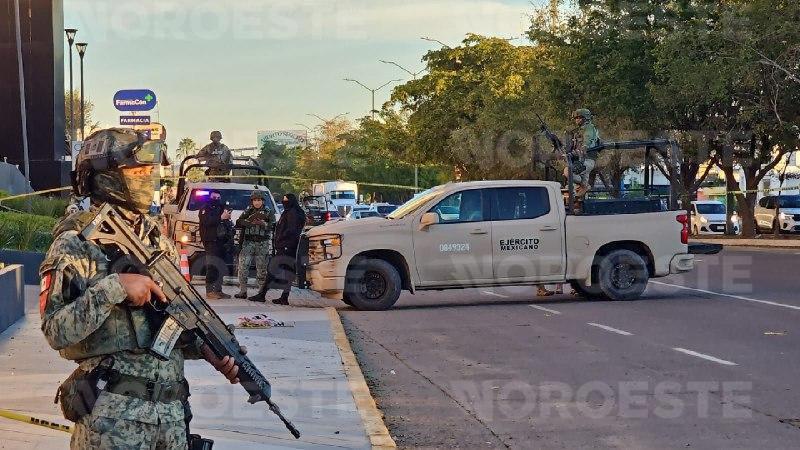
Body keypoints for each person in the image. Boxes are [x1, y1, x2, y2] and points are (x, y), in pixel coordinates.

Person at [39, 128, 242, 449]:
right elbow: (55, 331)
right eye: (138, 170)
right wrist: (114, 288)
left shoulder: (160, 243)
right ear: (105, 175)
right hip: (113, 420)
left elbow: (162, 329)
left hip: (172, 416)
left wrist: (204, 348)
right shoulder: (76, 243)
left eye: (152, 170)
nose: (149, 177)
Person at [249, 193, 306, 305]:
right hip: (288, 246)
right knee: (288, 271)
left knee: (272, 270)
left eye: (285, 201)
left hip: (286, 246)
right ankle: (283, 296)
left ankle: (263, 294)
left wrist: (281, 239)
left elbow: (291, 230)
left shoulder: (292, 213)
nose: (284, 202)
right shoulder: (292, 212)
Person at [234, 191, 276, 299]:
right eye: (255, 200)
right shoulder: (248, 210)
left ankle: (261, 293)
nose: (257, 202)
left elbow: (273, 226)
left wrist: (263, 224)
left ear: (262, 201)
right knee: (243, 267)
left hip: (262, 243)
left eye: (259, 200)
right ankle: (243, 291)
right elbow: (238, 221)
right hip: (248, 242)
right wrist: (248, 222)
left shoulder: (269, 211)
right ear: (252, 201)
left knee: (261, 269)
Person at [199, 190, 231, 299]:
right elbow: (207, 221)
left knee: (221, 266)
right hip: (211, 241)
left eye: (218, 198)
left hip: (222, 242)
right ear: (210, 197)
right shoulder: (205, 208)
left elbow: (227, 224)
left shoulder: (222, 208)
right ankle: (210, 291)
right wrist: (221, 218)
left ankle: (218, 290)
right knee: (212, 267)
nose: (216, 200)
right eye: (214, 197)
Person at [565, 108, 601, 197]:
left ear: (586, 118)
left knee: (568, 171)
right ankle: (582, 188)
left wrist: (584, 147)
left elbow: (587, 140)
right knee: (579, 195)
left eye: (580, 117)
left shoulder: (589, 127)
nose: (577, 120)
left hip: (587, 160)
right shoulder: (579, 131)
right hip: (581, 160)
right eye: (576, 118)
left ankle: (584, 186)